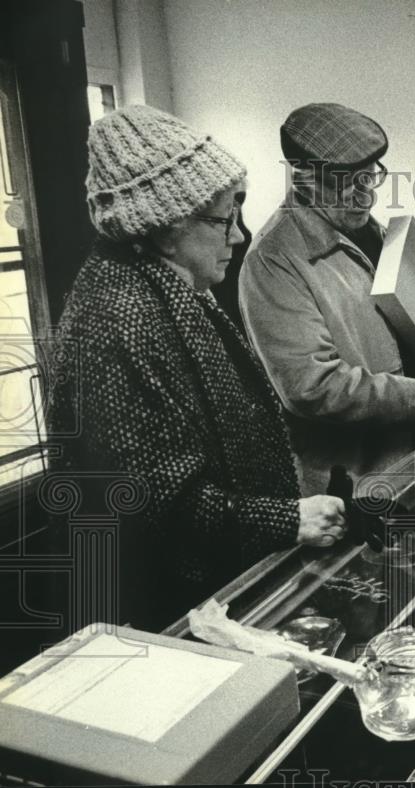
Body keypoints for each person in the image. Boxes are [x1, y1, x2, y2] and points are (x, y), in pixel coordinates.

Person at [46, 105, 347, 631]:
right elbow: (152, 505)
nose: (239, 235)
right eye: (224, 217)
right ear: (166, 225)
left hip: (207, 592)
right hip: (160, 617)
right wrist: (287, 518)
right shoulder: (119, 318)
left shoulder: (163, 286)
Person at [240, 102, 415, 494]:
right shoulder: (272, 261)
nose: (366, 198)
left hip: (409, 456)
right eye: (348, 182)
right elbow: (312, 386)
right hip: (353, 483)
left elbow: (395, 336)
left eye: (370, 178)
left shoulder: (368, 231)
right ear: (304, 177)